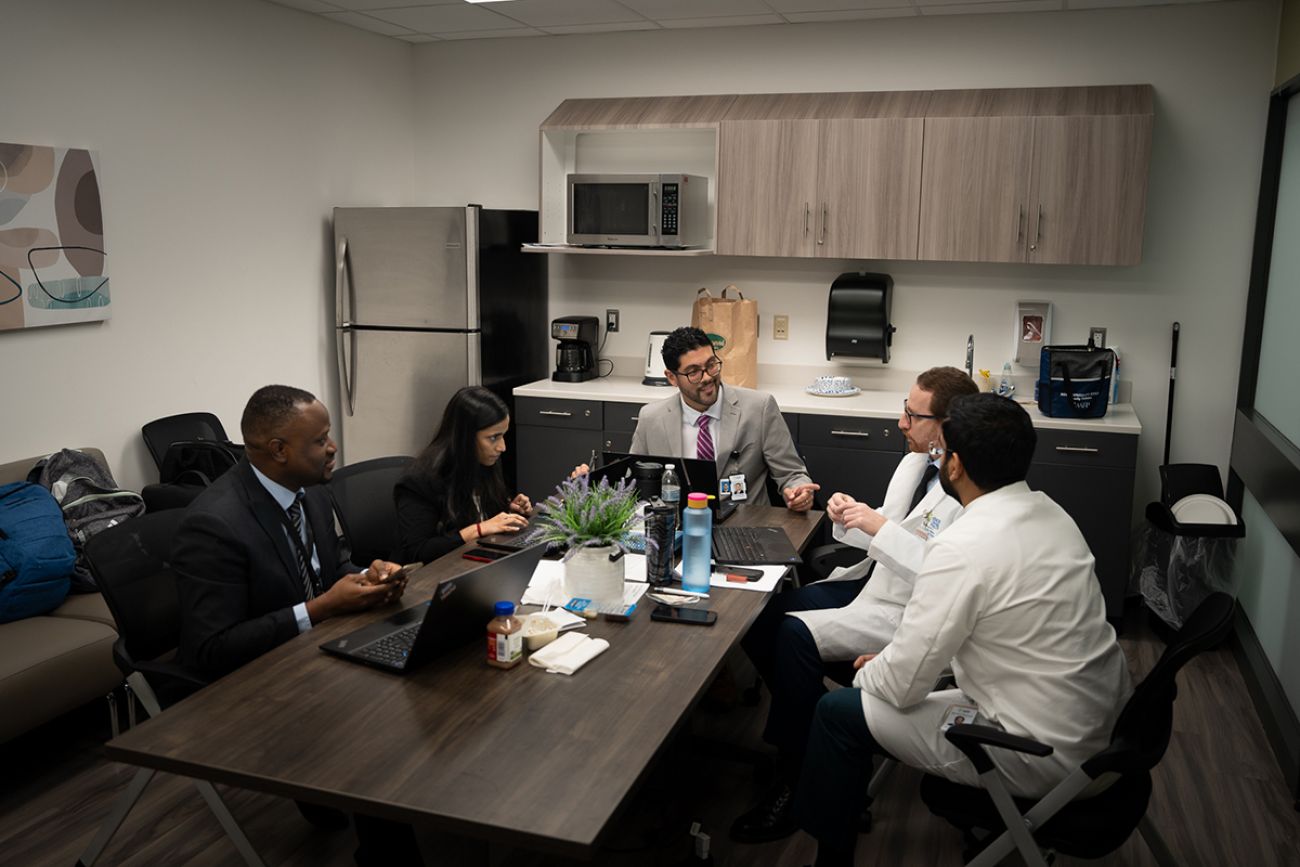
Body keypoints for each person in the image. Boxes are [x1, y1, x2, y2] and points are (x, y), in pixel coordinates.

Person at [794, 394, 1132, 867]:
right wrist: (898, 665)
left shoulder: (961, 548)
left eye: (941, 452)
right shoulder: (1053, 514)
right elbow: (1008, 630)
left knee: (837, 712)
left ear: (955, 465)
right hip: (1105, 733)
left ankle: (831, 859)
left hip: (1034, 749)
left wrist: (878, 672)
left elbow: (901, 685)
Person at [173, 384, 420, 866]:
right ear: (278, 450)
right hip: (250, 680)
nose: (333, 448)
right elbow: (210, 651)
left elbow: (332, 570)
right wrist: (322, 608)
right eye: (321, 440)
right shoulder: (214, 524)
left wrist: (367, 577)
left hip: (314, 649)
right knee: (382, 732)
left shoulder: (310, 492)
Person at [731, 366, 977, 843]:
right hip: (876, 583)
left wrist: (876, 526)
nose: (901, 422)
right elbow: (890, 526)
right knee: (762, 617)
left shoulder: (968, 485)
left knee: (791, 635)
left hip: (909, 608)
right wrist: (849, 515)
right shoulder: (915, 462)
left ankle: (798, 772)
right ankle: (816, 732)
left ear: (946, 425)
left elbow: (940, 573)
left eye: (912, 414)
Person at [631, 326, 817, 511]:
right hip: (677, 528)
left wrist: (799, 492)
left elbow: (792, 474)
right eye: (693, 372)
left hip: (746, 528)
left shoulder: (759, 408)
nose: (707, 377)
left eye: (711, 365)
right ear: (672, 378)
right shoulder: (651, 418)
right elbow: (631, 487)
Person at [394, 386, 534, 564]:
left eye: (503, 436)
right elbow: (419, 552)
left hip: (474, 564)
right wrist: (478, 529)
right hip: (430, 577)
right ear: (465, 437)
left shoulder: (484, 460)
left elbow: (480, 514)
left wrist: (508, 510)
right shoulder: (419, 481)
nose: (502, 447)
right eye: (493, 437)